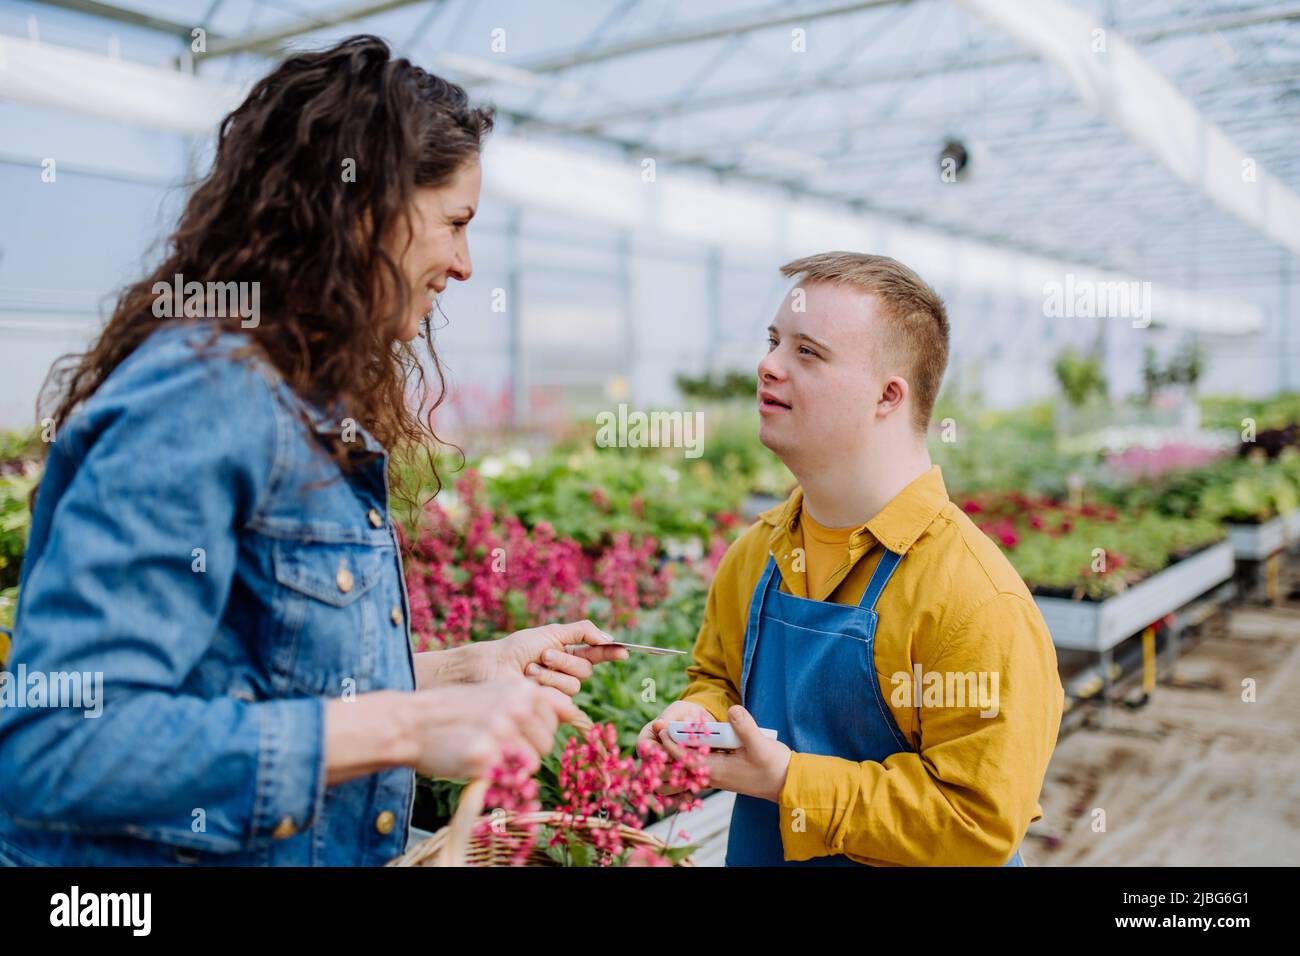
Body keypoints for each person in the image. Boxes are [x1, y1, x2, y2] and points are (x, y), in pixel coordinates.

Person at [0, 35, 627, 868]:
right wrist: (410, 724)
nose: (465, 265)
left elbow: (263, 679)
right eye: (455, 224)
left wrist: (469, 671)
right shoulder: (201, 399)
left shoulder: (300, 403)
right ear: (361, 211)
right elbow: (59, 745)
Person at [641, 252, 1064, 866]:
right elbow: (717, 679)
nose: (767, 365)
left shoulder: (975, 601)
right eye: (772, 341)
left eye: (806, 352)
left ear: (887, 396)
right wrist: (696, 719)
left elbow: (976, 821)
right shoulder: (758, 552)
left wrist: (790, 780)